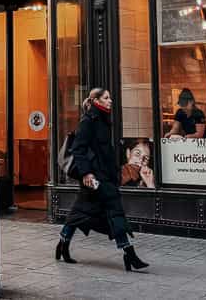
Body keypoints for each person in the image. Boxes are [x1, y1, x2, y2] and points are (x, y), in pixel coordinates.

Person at [55, 88, 149, 272]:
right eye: (106, 97)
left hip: (105, 177)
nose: (110, 100)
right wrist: (86, 174)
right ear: (96, 100)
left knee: (93, 213)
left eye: (110, 97)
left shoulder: (105, 121)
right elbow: (78, 150)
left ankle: (64, 244)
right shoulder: (88, 122)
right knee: (101, 212)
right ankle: (129, 254)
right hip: (94, 179)